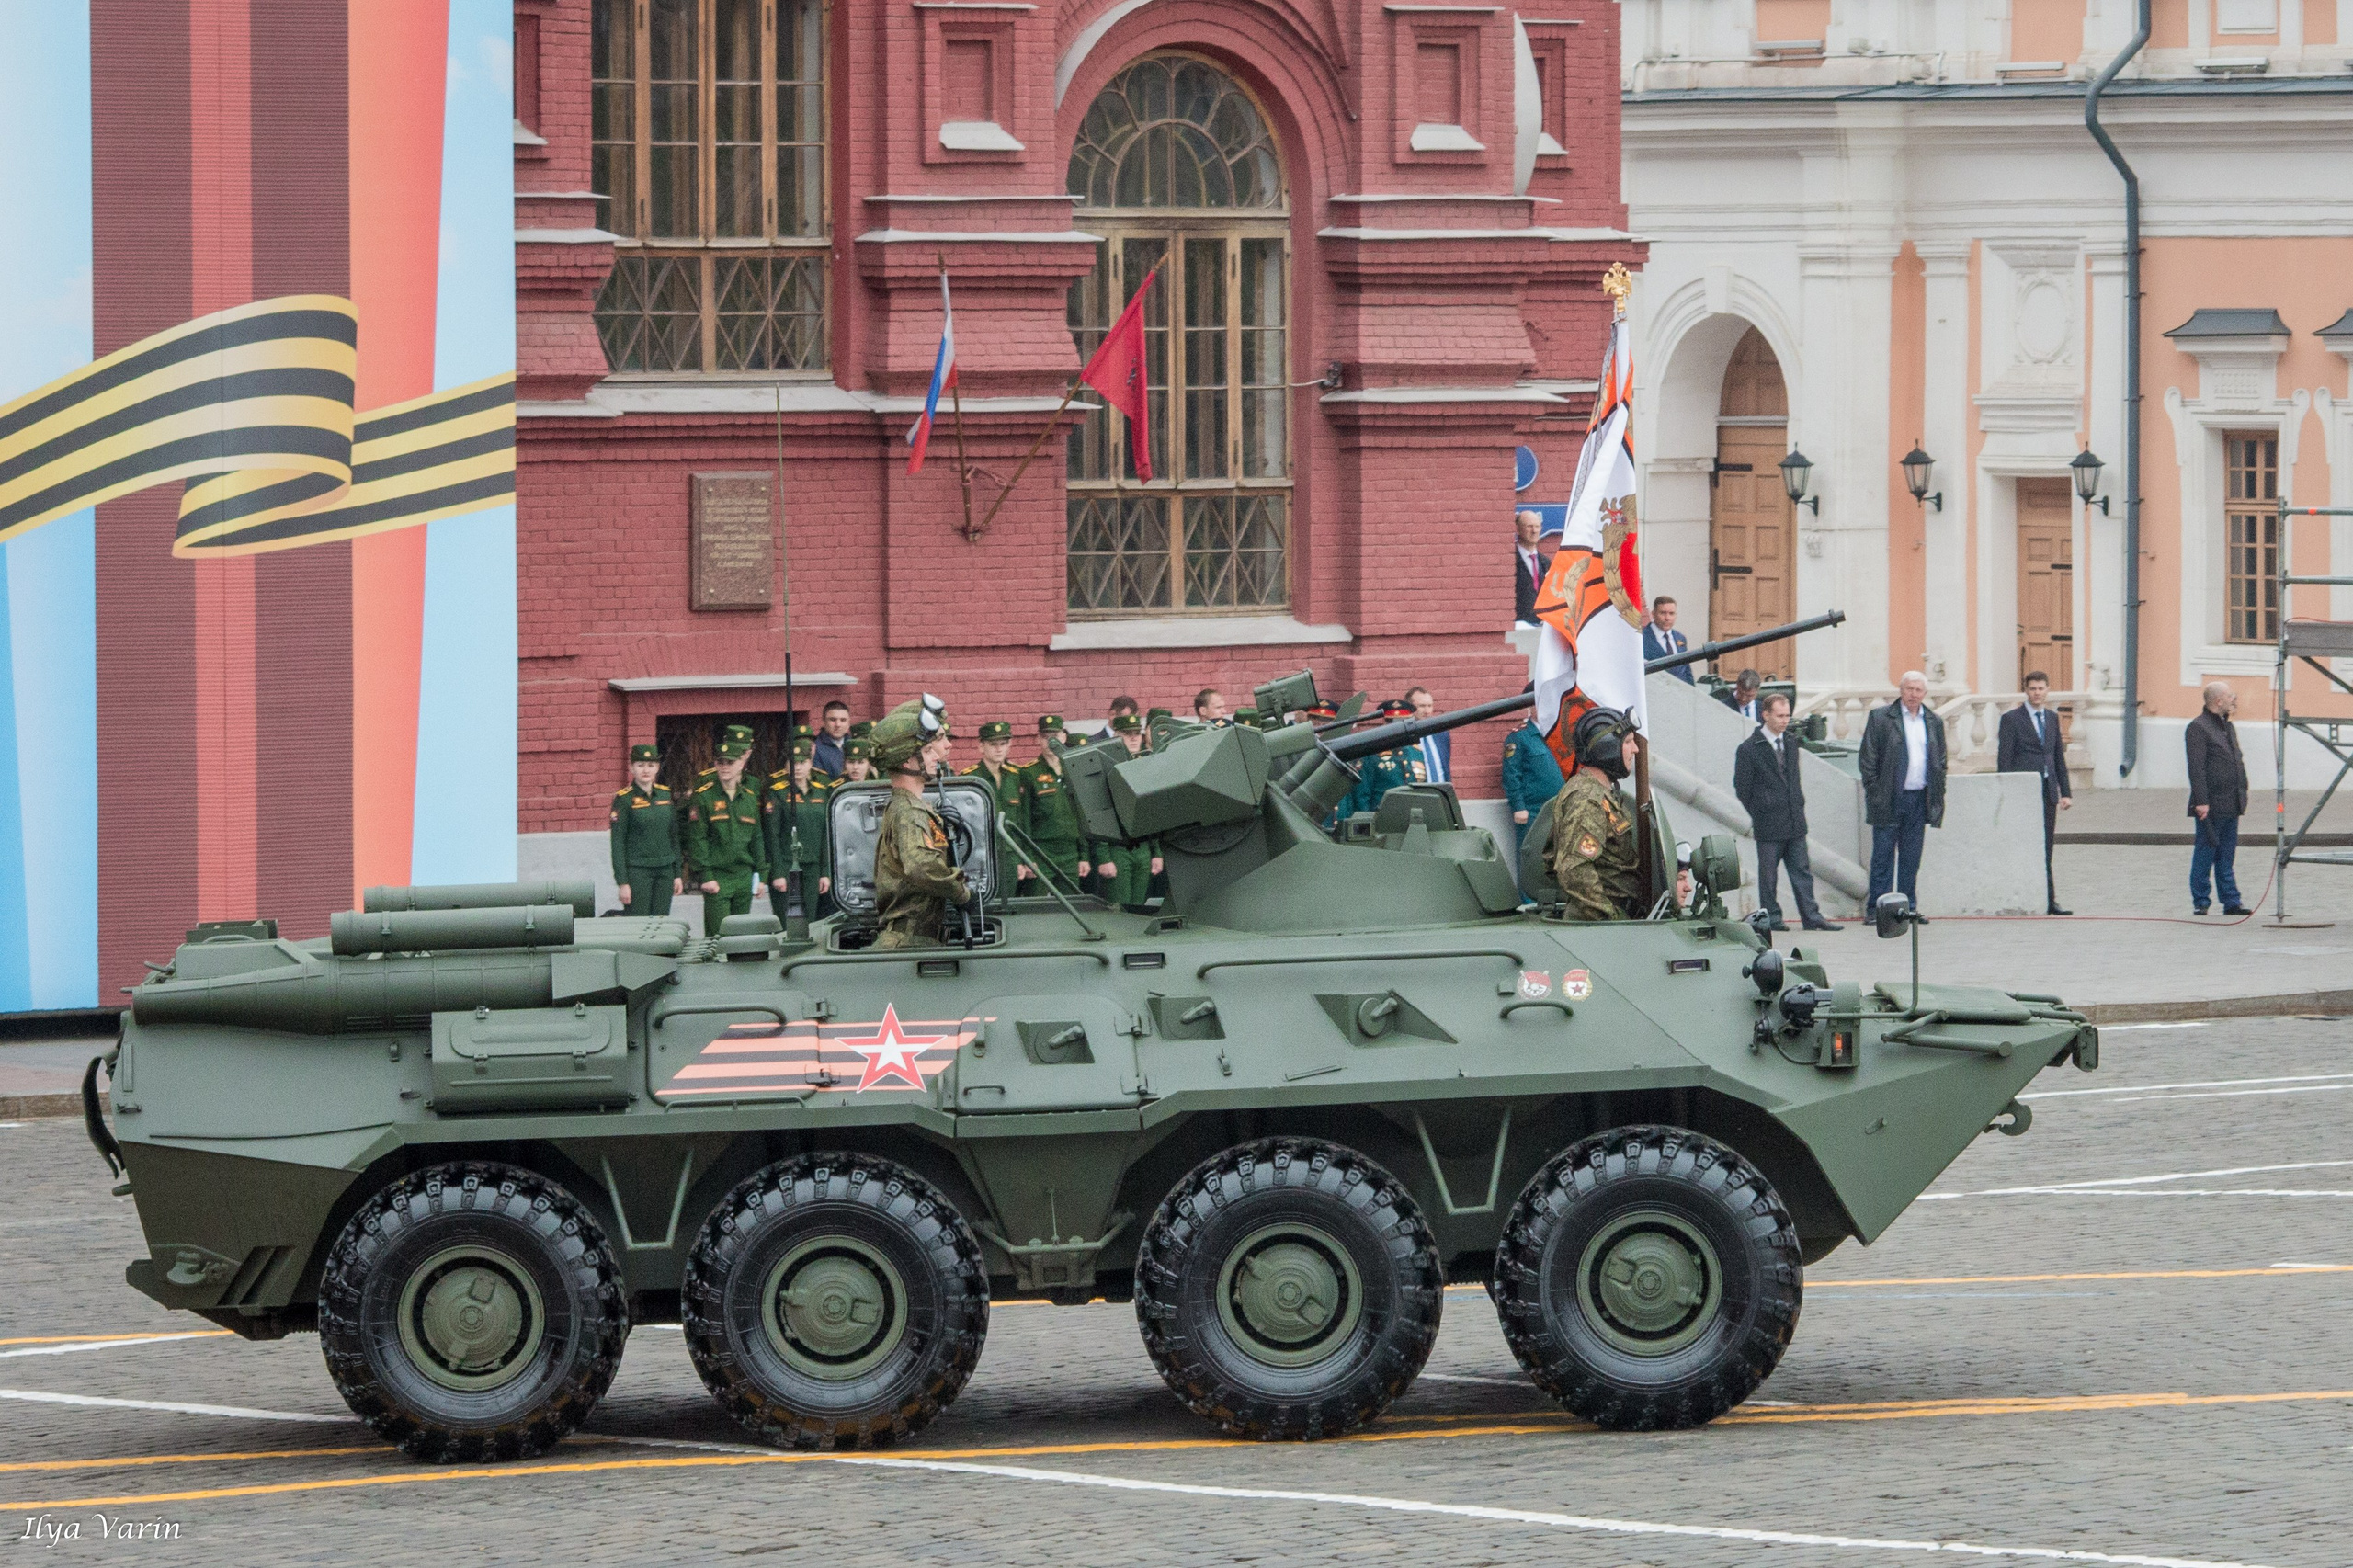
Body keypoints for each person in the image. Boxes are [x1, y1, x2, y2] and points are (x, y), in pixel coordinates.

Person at [870, 700, 972, 949]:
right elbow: (922, 866)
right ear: (907, 762)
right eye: (927, 751)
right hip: (909, 942)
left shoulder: (913, 808)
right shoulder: (909, 812)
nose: (936, 755)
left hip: (916, 939)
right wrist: (962, 893)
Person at [1734, 693, 1836, 932]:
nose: (1784, 720)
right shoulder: (1749, 749)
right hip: (1768, 823)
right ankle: (1773, 918)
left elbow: (1794, 779)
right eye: (1780, 716)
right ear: (1766, 715)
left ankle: (1812, 917)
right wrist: (1761, 810)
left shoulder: (1790, 742)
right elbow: (1742, 788)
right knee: (1769, 876)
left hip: (1794, 820)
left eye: (1787, 715)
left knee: (1802, 872)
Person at [1858, 671, 1946, 910]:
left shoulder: (1933, 721)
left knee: (1911, 859)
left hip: (1919, 799)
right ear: (1900, 690)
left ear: (1925, 694)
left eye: (1918, 690)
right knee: (1883, 858)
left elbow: (1940, 762)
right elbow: (1868, 759)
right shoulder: (1881, 718)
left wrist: (1938, 794)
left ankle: (1908, 909)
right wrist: (1876, 792)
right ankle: (1877, 910)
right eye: (1909, 689)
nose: (1913, 695)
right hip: (1888, 798)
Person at [1546, 707, 1644, 920]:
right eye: (1628, 742)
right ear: (1606, 748)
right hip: (1598, 921)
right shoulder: (1587, 799)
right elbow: (1574, 869)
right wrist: (1608, 917)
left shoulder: (1602, 792)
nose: (1635, 749)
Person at [1997, 671, 2075, 915]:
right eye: (2033, 689)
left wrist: (2065, 792)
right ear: (2026, 691)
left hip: (2048, 791)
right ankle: (2022, 896)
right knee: (2023, 845)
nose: (2037, 693)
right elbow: (2005, 760)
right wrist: (2008, 792)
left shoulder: (2052, 718)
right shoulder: (2011, 719)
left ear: (2047, 690)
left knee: (2046, 846)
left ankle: (2050, 900)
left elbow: (2057, 758)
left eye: (2041, 688)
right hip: (2023, 791)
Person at [684, 723, 768, 930]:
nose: (724, 767)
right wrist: (705, 876)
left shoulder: (748, 798)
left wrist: (762, 876)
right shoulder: (704, 796)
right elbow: (698, 838)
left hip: (743, 875)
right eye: (720, 762)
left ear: (741, 763)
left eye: (730, 762)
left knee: (739, 935)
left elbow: (756, 839)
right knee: (717, 935)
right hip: (718, 876)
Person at [2187, 681, 2252, 916]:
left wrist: (2242, 789)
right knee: (2205, 852)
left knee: (2226, 855)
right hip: (2210, 805)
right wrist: (2201, 801)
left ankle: (2231, 901)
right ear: (2218, 701)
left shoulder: (2227, 727)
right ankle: (2201, 900)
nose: (2234, 700)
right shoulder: (2198, 727)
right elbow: (2197, 768)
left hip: (2231, 802)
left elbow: (2236, 760)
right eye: (2230, 696)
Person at [1089, 713, 1164, 909]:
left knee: (1139, 907)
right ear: (1116, 735)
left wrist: (1157, 853)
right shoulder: (1106, 767)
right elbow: (1100, 814)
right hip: (1117, 849)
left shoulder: (1146, 766)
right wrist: (1104, 857)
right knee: (1119, 908)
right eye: (1126, 734)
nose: (1133, 738)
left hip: (1143, 847)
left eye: (1136, 734)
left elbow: (1152, 813)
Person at [609, 743, 682, 915]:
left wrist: (677, 873)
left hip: (665, 870)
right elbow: (617, 843)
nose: (646, 770)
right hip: (638, 872)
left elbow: (673, 837)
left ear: (657, 768)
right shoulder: (624, 799)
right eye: (640, 765)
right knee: (639, 924)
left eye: (651, 765)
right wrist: (623, 883)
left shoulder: (665, 795)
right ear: (631, 768)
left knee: (661, 924)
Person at [1018, 716, 1090, 891]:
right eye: (1045, 737)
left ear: (1064, 738)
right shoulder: (1029, 773)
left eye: (1055, 736)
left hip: (1070, 851)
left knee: (1072, 906)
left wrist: (1084, 855)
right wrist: (1028, 857)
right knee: (1039, 908)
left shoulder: (1074, 769)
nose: (1051, 741)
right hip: (1041, 851)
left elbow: (1082, 815)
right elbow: (1024, 819)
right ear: (1038, 739)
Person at [764, 737, 831, 924]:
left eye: (802, 762)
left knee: (809, 920)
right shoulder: (778, 793)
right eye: (792, 763)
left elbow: (826, 834)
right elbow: (772, 836)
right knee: (787, 921)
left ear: (810, 763)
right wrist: (777, 872)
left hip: (812, 866)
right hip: (787, 865)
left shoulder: (820, 792)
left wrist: (825, 871)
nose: (797, 768)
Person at [963, 721, 1031, 886]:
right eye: (993, 744)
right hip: (982, 854)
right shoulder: (971, 778)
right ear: (981, 746)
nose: (999, 749)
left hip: (1009, 854)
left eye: (1003, 743)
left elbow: (1023, 820)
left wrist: (1023, 858)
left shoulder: (1016, 776)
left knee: (1012, 903)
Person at [1346, 699, 1426, 817]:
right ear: (1385, 724)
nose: (1399, 728)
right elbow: (1362, 797)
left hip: (1414, 818)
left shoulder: (1416, 751)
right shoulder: (1372, 754)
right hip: (1382, 822)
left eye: (1404, 723)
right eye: (1392, 723)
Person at [1501, 714, 1564, 864]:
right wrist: (1518, 806)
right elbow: (1511, 774)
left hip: (1559, 809)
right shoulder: (1519, 736)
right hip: (1533, 812)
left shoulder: (1558, 733)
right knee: (1531, 860)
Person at [1643, 597, 1693, 683]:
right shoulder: (1642, 638)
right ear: (1653, 614)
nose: (1667, 618)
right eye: (1663, 613)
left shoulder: (1680, 638)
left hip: (1681, 693)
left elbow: (1686, 671)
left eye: (1671, 613)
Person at [1405, 687, 1449, 784]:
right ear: (1410, 708)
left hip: (1440, 794)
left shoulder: (1442, 734)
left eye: (1430, 706)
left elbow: (1445, 768)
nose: (1427, 710)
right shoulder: (1403, 737)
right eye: (1422, 706)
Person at [1512, 509, 1548, 626]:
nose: (1534, 531)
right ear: (1517, 529)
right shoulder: (1511, 561)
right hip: (1519, 629)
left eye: (1537, 526)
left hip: (1542, 629)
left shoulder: (1546, 563)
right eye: (1529, 526)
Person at [812, 700, 852, 779]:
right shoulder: (816, 749)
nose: (838, 725)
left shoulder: (854, 744)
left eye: (843, 720)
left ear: (849, 722)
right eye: (833, 719)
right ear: (824, 721)